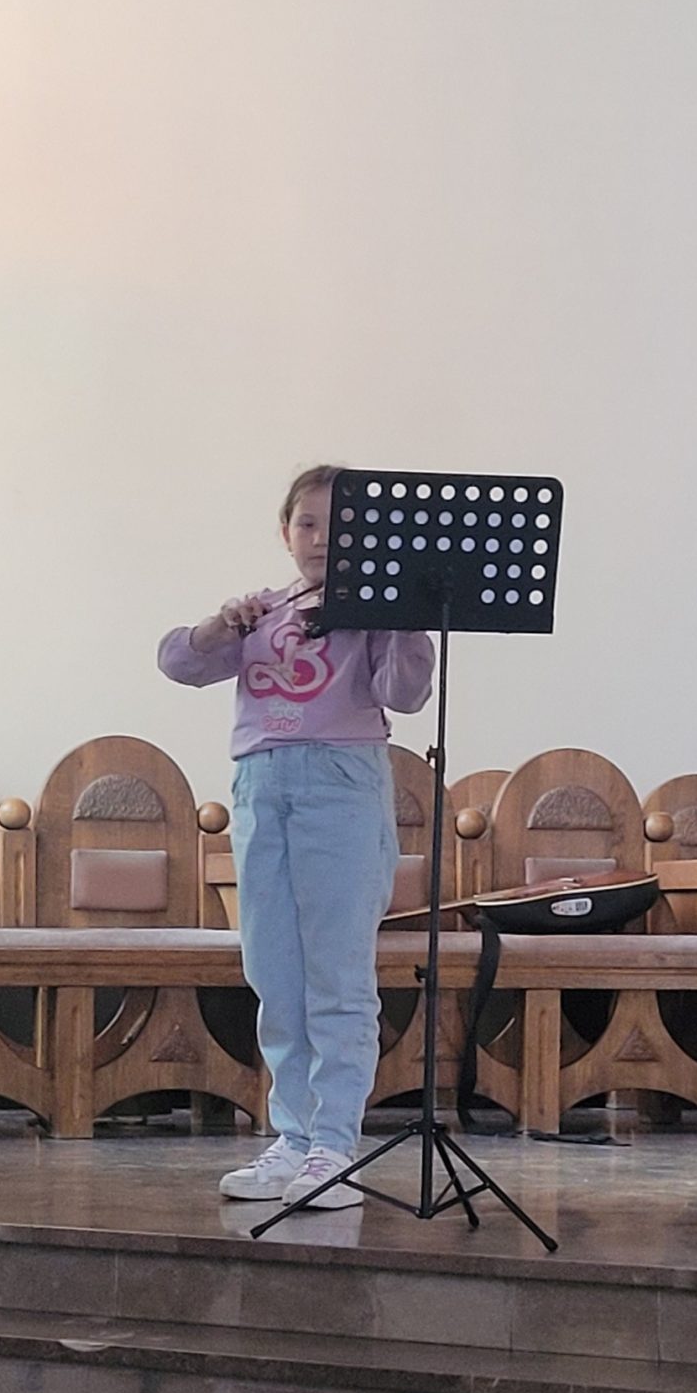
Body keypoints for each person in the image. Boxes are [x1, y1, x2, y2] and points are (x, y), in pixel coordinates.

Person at [158, 464, 435, 1206]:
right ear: (285, 532)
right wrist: (220, 625)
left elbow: (404, 694)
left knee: (335, 975)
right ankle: (293, 1136)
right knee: (274, 972)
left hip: (340, 783)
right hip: (261, 784)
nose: (321, 538)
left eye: (340, 526)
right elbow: (179, 662)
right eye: (308, 523)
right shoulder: (265, 610)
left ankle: (335, 1145)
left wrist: (406, 618)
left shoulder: (373, 614)